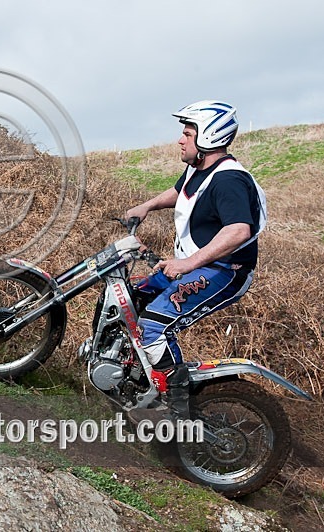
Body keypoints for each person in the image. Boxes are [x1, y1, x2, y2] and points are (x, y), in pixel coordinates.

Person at [126, 100, 267, 424]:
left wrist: (188, 265)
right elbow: (182, 193)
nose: (180, 139)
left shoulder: (229, 180)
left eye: (187, 133)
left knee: (153, 327)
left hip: (224, 271)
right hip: (196, 263)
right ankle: (138, 380)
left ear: (207, 138)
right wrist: (146, 206)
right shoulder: (200, 169)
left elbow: (237, 230)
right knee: (131, 298)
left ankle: (174, 412)